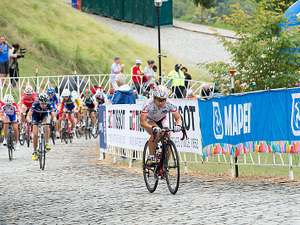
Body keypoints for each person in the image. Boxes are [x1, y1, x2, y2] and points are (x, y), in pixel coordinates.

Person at [140, 86, 182, 164]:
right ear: (154, 98)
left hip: (162, 119)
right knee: (157, 132)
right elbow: (142, 122)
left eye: (163, 100)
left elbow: (178, 117)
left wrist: (178, 125)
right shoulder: (148, 103)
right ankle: (151, 156)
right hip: (150, 120)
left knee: (167, 136)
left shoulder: (169, 103)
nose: (160, 103)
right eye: (158, 100)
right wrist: (152, 127)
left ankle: (165, 165)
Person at [26, 93, 57, 161]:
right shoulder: (35, 104)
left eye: (45, 104)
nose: (44, 105)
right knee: (35, 134)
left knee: (47, 124)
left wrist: (54, 121)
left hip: (44, 116)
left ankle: (46, 143)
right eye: (42, 103)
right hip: (35, 118)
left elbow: (54, 116)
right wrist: (30, 121)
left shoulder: (49, 105)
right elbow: (28, 116)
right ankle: (34, 152)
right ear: (39, 101)